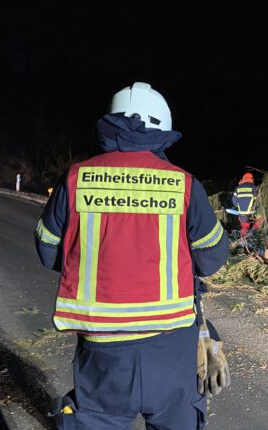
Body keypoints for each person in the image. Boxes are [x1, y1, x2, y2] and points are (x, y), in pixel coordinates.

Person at [34, 82, 230, 429]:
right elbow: (212, 258)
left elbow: (48, 249)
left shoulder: (77, 178)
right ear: (164, 129)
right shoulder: (183, 184)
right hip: (170, 346)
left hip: (102, 348)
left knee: (96, 420)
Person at [231, 172, 263, 238]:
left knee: (244, 227)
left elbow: (234, 201)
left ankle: (242, 240)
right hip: (252, 212)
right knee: (261, 219)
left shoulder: (237, 188)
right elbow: (257, 201)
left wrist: (238, 206)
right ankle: (253, 231)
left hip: (242, 213)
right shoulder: (253, 187)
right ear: (251, 179)